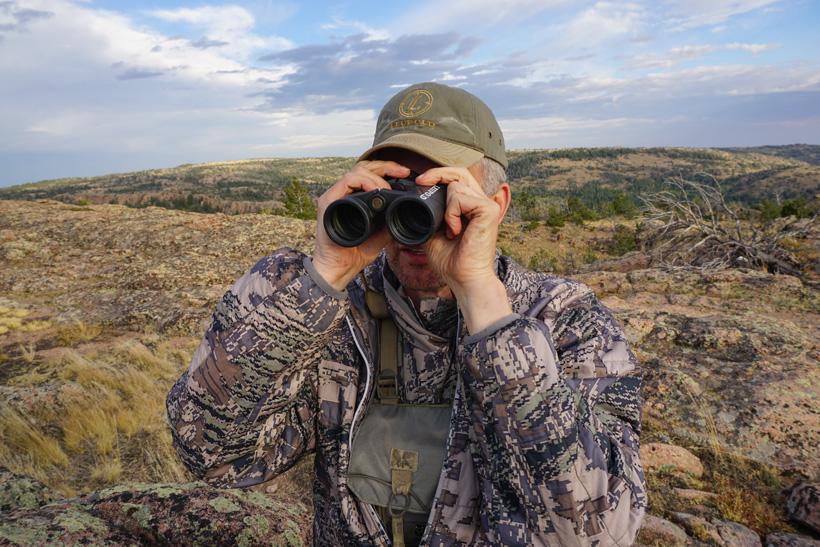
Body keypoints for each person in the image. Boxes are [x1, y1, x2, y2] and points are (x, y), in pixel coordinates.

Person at [165, 82, 646, 546]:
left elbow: (594, 534)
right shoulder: (334, 313)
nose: (413, 221)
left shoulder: (568, 322)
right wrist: (325, 274)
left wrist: (485, 305)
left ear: (496, 204)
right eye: (396, 186)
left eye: (437, 189)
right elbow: (211, 455)